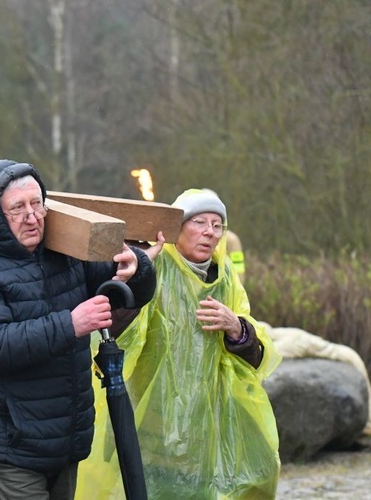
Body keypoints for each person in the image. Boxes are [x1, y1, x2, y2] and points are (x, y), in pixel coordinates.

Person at [0, 159, 157, 500]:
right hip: (9, 450)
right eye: (17, 208)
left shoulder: (66, 254)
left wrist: (138, 267)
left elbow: (127, 291)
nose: (32, 216)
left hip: (64, 444)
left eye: (37, 203)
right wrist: (71, 324)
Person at [80, 188, 281, 499]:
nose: (209, 233)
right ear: (177, 227)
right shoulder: (152, 267)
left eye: (217, 225)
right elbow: (110, 333)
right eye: (199, 222)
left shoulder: (225, 276)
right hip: (150, 425)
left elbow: (255, 359)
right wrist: (137, 278)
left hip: (209, 427)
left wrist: (237, 327)